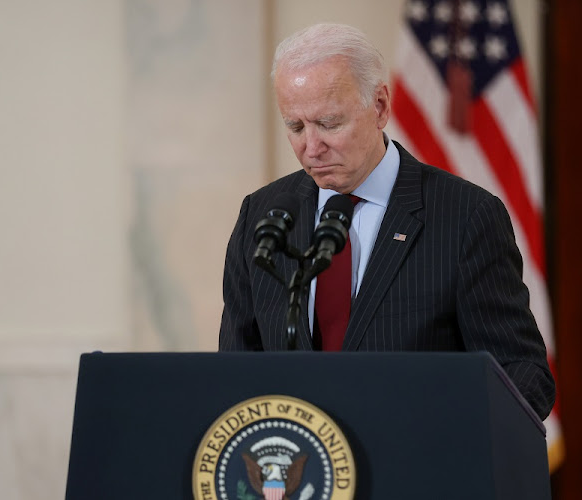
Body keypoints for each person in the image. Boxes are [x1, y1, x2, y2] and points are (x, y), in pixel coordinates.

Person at [218, 23, 554, 420]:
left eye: (328, 124)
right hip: (299, 472)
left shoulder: (465, 217)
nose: (311, 147)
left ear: (379, 107)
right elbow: (235, 371)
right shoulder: (262, 215)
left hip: (419, 467)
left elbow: (523, 373)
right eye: (295, 127)